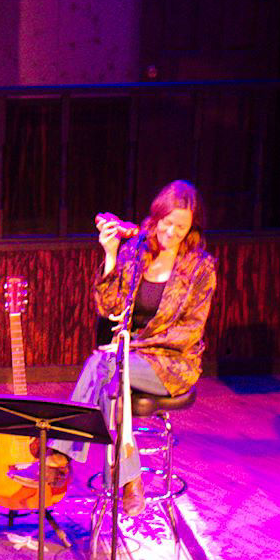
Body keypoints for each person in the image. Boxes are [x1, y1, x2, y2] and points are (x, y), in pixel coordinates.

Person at [62, 181, 218, 475]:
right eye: (167, 223)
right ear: (157, 217)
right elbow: (108, 309)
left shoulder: (201, 267)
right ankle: (126, 483)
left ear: (191, 229)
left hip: (172, 364)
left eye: (181, 228)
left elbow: (188, 334)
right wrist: (110, 255)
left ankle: (59, 455)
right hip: (128, 359)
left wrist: (128, 347)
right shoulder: (135, 251)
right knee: (111, 390)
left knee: (102, 364)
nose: (171, 233)